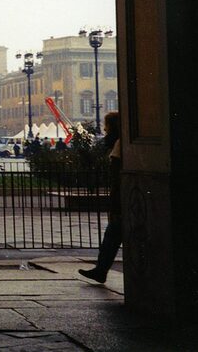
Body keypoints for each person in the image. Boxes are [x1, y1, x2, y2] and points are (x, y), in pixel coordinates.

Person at [80, 112, 122, 283]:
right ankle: (100, 270)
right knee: (111, 238)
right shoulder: (122, 142)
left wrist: (114, 205)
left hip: (121, 201)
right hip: (124, 200)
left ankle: (101, 270)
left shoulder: (119, 145)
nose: (104, 130)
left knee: (111, 238)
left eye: (107, 126)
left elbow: (116, 178)